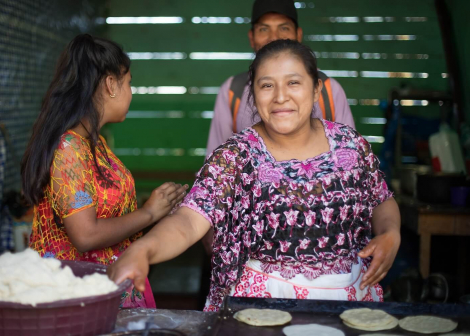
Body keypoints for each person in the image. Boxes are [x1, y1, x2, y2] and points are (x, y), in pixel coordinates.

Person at [107, 39, 401, 312]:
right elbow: (188, 220)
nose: (280, 96)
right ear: (253, 93)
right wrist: (143, 249)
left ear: (316, 89)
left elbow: (381, 200)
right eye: (267, 85)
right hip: (260, 309)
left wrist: (391, 234)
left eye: (294, 83)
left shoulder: (350, 145)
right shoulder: (236, 157)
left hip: (349, 303)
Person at [20, 34, 188, 308]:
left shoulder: (94, 145)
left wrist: (159, 210)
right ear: (111, 84)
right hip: (77, 297)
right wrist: (148, 213)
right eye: (129, 83)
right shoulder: (69, 149)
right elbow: (85, 235)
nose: (131, 92)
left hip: (102, 287)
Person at [206, 0, 355, 158]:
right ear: (252, 37)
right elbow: (216, 164)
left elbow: (350, 157)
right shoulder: (233, 90)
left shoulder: (329, 89)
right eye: (264, 29)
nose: (274, 37)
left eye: (284, 28)